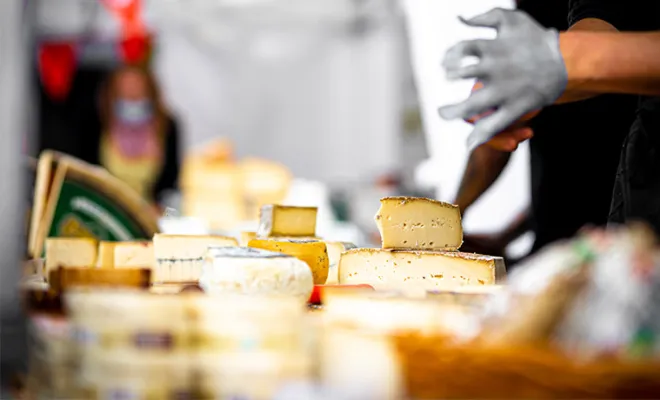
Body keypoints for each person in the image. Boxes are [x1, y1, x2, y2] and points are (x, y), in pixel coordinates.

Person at [441, 2, 660, 233]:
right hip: (592, 226)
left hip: (615, 220)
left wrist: (559, 59)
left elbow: (592, 43)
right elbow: (600, 25)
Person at [85, 65, 181, 209]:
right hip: (106, 214)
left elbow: (173, 194)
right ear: (113, 93)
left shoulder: (168, 127)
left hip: (151, 219)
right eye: (125, 91)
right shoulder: (96, 125)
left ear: (150, 92)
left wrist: (165, 216)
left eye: (138, 91)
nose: (131, 95)